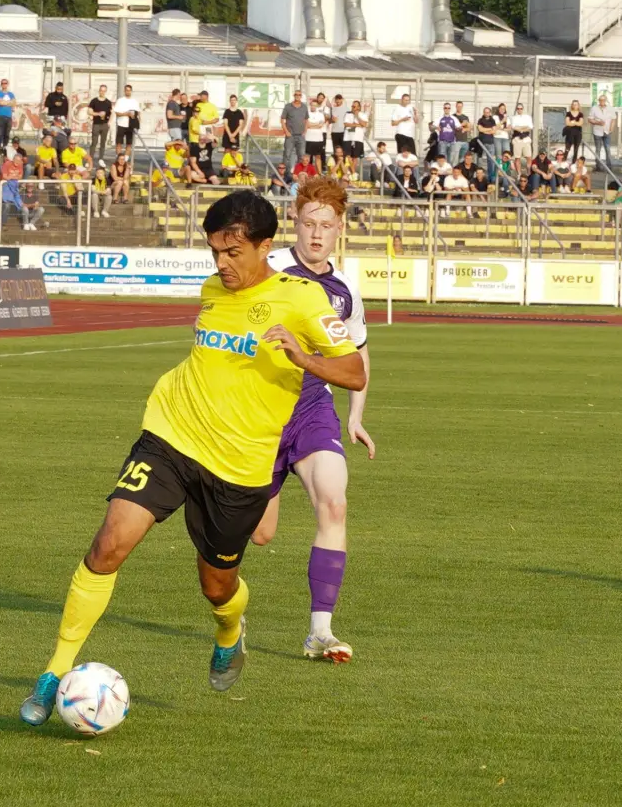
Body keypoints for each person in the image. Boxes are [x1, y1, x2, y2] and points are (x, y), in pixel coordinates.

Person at [19, 190, 366, 726]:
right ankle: (53, 671)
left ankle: (229, 631)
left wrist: (303, 357)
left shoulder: (303, 299)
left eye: (234, 253)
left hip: (240, 467)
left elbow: (354, 372)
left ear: (265, 247)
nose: (222, 264)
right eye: (214, 252)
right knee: (110, 542)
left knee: (217, 585)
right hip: (171, 434)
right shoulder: (211, 288)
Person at [242, 178, 373, 661]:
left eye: (327, 226)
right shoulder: (267, 272)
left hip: (313, 410)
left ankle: (321, 631)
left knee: (335, 504)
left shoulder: (344, 291)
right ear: (294, 223)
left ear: (339, 229)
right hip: (258, 412)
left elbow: (357, 355)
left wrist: (356, 417)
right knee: (260, 533)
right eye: (309, 223)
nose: (316, 234)